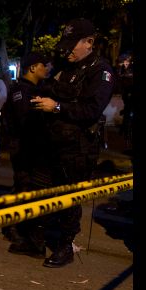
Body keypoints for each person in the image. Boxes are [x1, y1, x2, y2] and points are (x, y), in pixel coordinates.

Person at [30, 18, 114, 267]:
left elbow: (91, 110)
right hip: (54, 143)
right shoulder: (65, 67)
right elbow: (52, 88)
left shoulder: (101, 71)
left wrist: (55, 106)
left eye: (72, 45)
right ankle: (40, 237)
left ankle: (65, 246)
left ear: (89, 43)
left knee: (70, 197)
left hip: (78, 148)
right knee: (49, 192)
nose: (67, 50)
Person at [3, 52, 52, 254]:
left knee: (27, 188)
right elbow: (25, 124)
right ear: (32, 68)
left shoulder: (35, 89)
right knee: (24, 189)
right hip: (24, 150)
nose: (47, 69)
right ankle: (16, 231)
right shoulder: (21, 91)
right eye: (43, 65)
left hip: (33, 150)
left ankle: (21, 229)